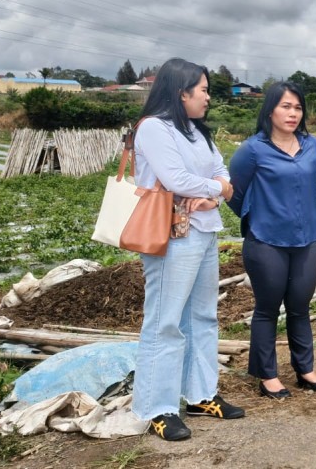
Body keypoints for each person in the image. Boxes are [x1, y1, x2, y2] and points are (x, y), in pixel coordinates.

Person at [132, 58, 244, 441]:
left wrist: (214, 194)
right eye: (204, 89)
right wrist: (217, 190)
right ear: (182, 92)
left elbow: (222, 172)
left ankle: (200, 394)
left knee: (202, 317)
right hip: (172, 235)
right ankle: (158, 408)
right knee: (165, 322)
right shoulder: (153, 128)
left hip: (205, 231)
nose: (208, 97)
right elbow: (176, 179)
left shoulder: (197, 131)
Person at [227, 82, 316, 398]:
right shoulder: (252, 150)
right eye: (285, 106)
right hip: (266, 241)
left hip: (308, 239)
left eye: (298, 107)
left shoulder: (312, 145)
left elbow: (313, 180)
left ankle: (305, 370)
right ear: (270, 109)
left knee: (299, 306)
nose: (292, 113)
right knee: (268, 308)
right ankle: (267, 375)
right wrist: (259, 217)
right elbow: (235, 193)